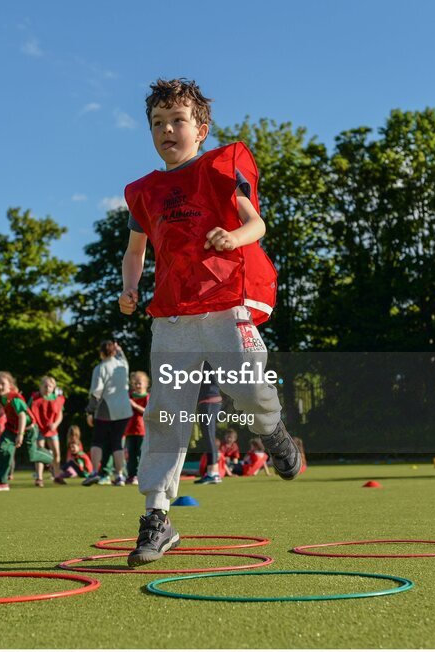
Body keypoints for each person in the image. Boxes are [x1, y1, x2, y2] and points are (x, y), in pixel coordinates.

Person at [118, 78, 301, 566]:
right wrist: (129, 287)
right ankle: (158, 515)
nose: (167, 130)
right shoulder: (144, 192)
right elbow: (134, 252)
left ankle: (273, 430)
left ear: (201, 128)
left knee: (250, 391)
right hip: (173, 315)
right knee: (165, 414)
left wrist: (234, 237)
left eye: (177, 120)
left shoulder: (222, 166)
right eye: (157, 123)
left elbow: (256, 223)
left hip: (224, 302)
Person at [82, 341, 132, 487]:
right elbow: (122, 356)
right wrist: (119, 349)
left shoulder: (100, 368)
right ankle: (120, 476)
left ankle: (94, 472)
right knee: (117, 443)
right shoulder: (123, 364)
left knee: (97, 441)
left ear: (101, 352)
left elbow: (97, 392)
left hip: (106, 408)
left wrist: (90, 411)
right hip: (124, 409)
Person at [0, 371, 36, 491]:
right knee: (3, 448)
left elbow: (22, 416)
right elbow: (2, 410)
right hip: (11, 427)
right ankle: (2, 482)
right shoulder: (2, 397)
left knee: (34, 456)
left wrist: (20, 435)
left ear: (10, 385)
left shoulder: (15, 399)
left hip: (28, 429)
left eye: (2, 384)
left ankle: (50, 458)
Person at [31, 376, 66, 484]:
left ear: (53, 387)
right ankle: (39, 478)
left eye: (50, 386)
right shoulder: (35, 398)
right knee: (40, 452)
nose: (47, 388)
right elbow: (29, 412)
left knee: (56, 453)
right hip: (39, 429)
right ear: (40, 386)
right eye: (44, 386)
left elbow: (60, 415)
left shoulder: (57, 399)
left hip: (52, 430)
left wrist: (55, 424)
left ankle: (57, 476)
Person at [194, 370, 225, 485]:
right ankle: (212, 472)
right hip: (209, 401)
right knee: (209, 437)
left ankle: (213, 473)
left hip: (209, 401)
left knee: (209, 437)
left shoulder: (207, 358)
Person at [125, 371, 150, 485]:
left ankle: (142, 475)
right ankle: (131, 475)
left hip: (142, 431)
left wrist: (135, 406)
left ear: (146, 384)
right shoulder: (129, 396)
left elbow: (148, 412)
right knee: (131, 455)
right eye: (135, 383)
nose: (137, 385)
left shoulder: (147, 397)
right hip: (130, 430)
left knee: (141, 455)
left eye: (139, 383)